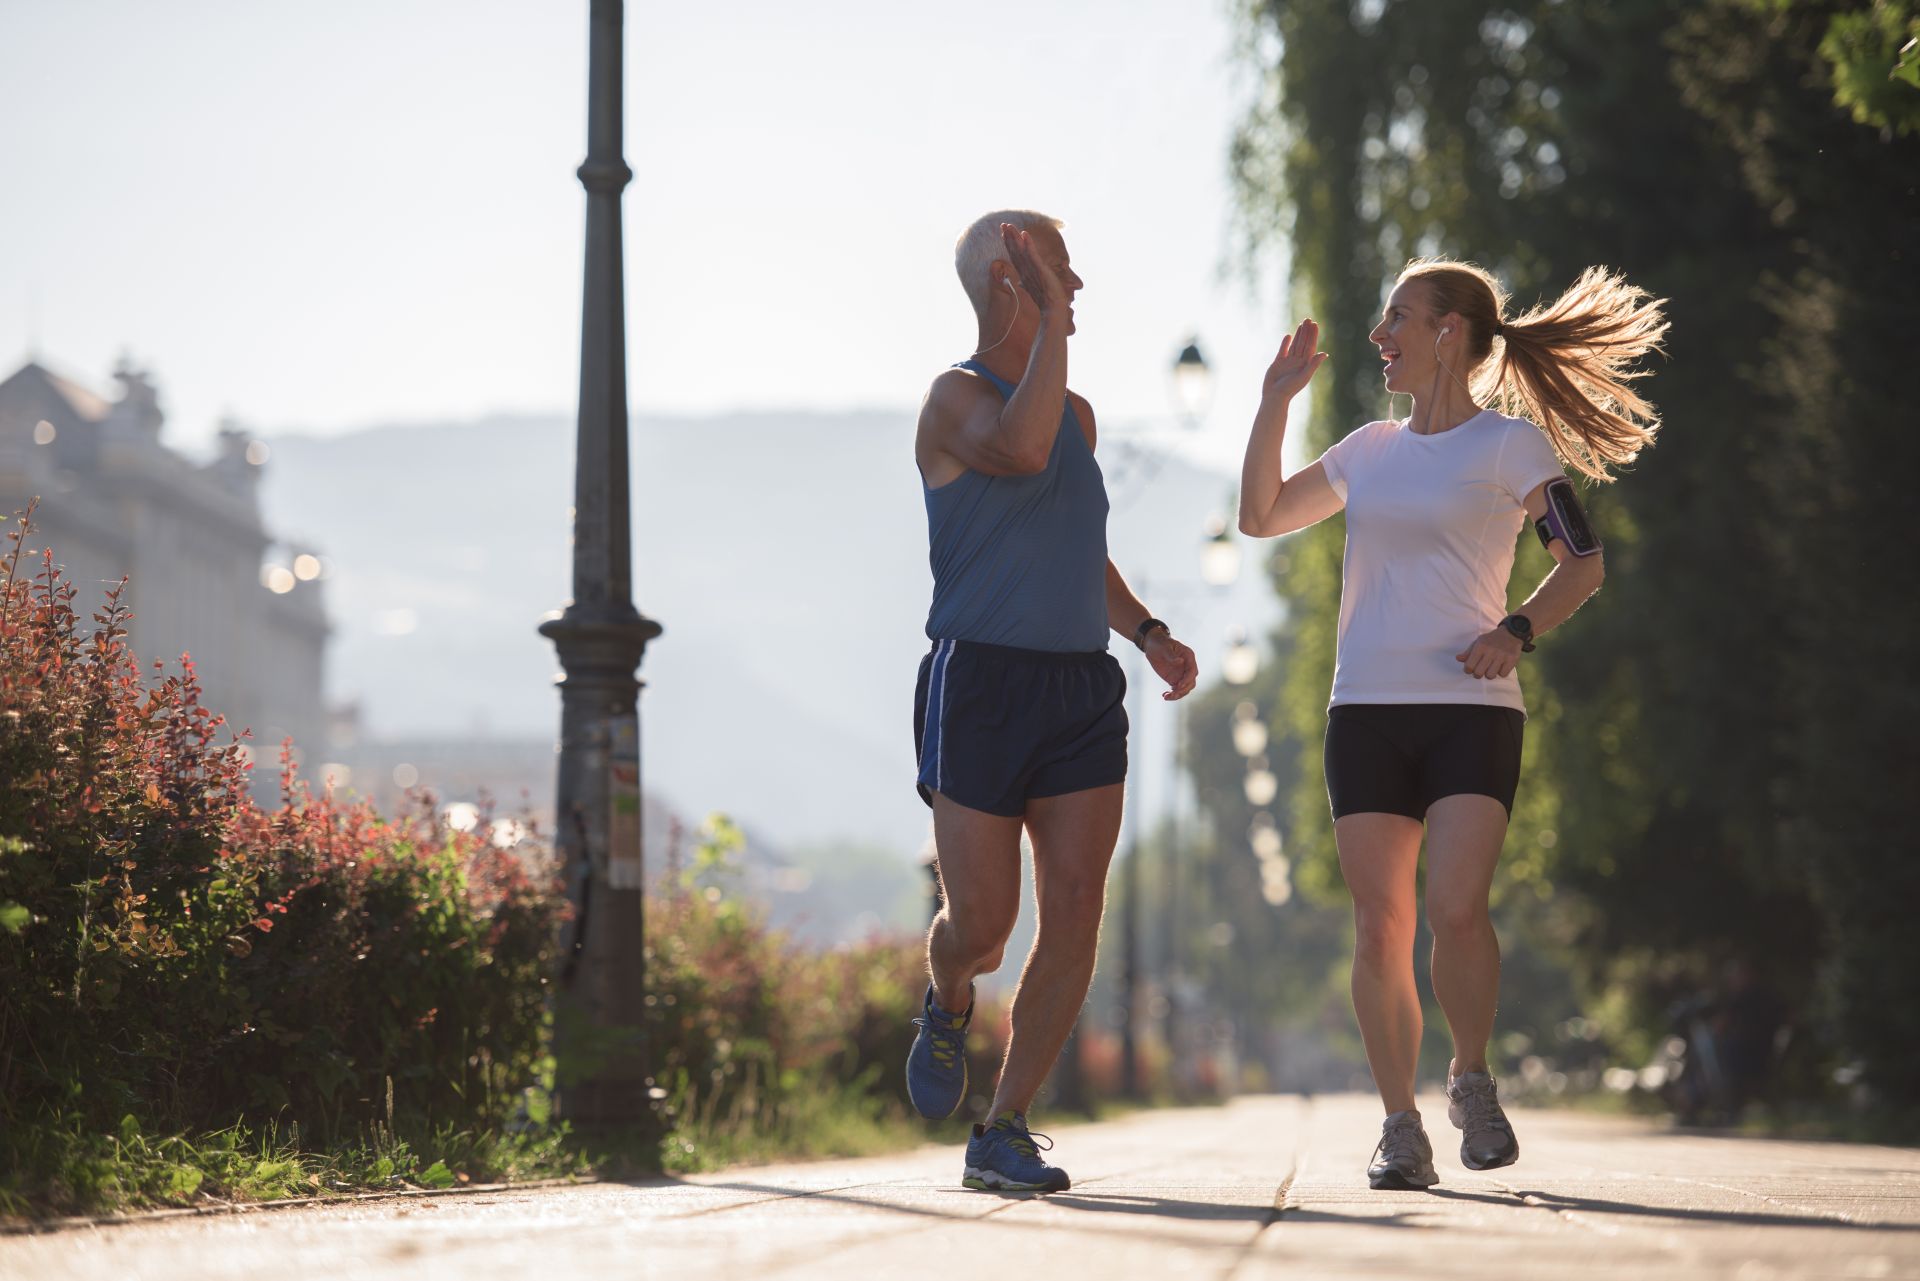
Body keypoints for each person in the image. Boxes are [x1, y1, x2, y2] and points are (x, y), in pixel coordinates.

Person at [1236, 258, 1666, 1189]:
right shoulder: (1366, 450)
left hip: (1471, 708)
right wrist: (1274, 402)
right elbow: (1262, 515)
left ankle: (1470, 1077)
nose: (1379, 333)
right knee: (1379, 922)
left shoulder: (1511, 449)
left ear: (1448, 334)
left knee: (1455, 908)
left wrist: (1516, 629)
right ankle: (1399, 1124)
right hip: (1366, 711)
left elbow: (1581, 564)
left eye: (1399, 316)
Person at [905, 210, 1198, 1193]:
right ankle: (946, 996)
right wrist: (1057, 333)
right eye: (1053, 265)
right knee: (983, 926)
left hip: (1078, 689)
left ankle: (1005, 1126)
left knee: (1075, 907)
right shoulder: (953, 400)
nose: (1076, 281)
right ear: (1005, 277)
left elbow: (1077, 543)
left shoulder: (1077, 415)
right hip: (980, 680)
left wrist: (1149, 631)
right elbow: (1020, 453)